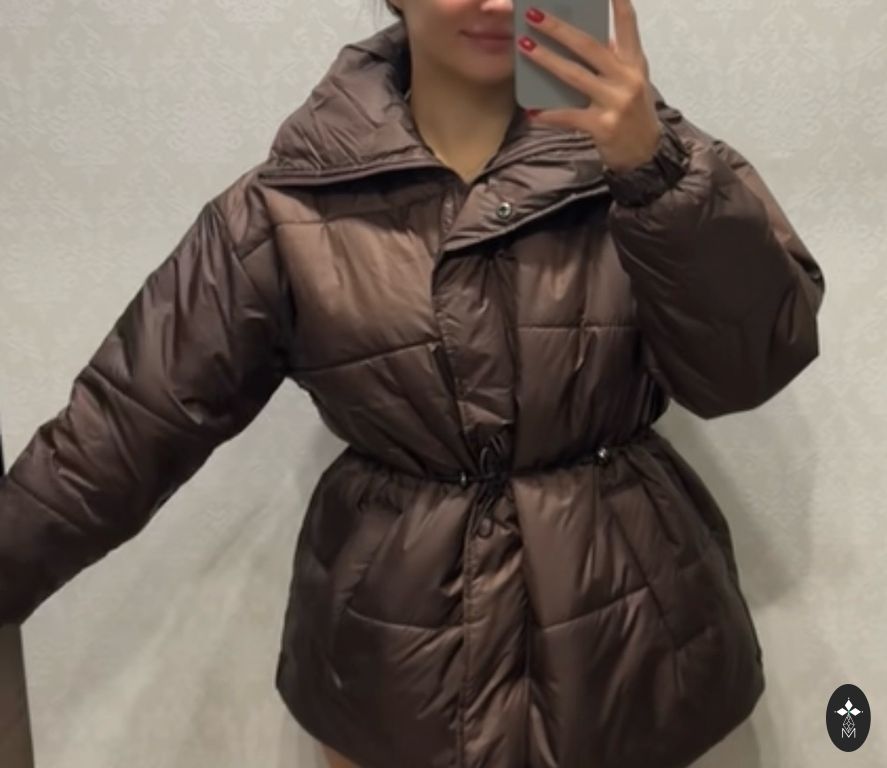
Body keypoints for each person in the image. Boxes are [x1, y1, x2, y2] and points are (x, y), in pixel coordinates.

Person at [0, 0, 826, 766]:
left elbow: (749, 367)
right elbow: (124, 428)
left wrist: (651, 174)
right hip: (394, 677)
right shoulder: (287, 204)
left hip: (629, 656)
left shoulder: (659, 161)